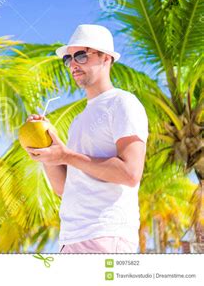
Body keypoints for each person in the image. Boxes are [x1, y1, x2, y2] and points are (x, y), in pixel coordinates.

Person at [24, 24, 148, 253]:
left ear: (106, 58)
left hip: (107, 235)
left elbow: (130, 174)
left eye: (81, 55)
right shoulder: (78, 121)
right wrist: (47, 151)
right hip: (71, 238)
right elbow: (64, 188)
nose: (72, 64)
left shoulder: (123, 103)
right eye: (68, 59)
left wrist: (66, 156)